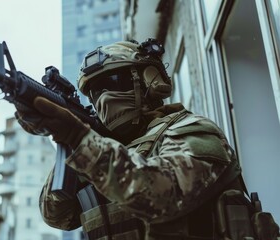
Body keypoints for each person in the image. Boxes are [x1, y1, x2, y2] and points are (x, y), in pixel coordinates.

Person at [15, 39, 280, 239]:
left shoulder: (192, 130)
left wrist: (81, 140)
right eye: (95, 91)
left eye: (114, 81)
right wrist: (69, 143)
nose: (104, 97)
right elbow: (57, 215)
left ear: (149, 81)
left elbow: (161, 195)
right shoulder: (101, 151)